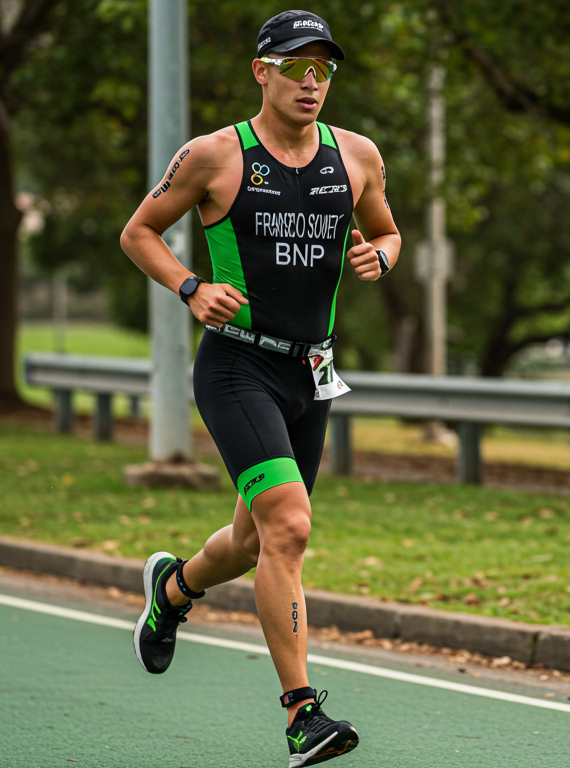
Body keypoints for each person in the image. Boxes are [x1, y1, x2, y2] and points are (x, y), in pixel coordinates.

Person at [118, 10, 398, 766]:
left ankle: (173, 590)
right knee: (291, 527)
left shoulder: (358, 154)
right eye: (296, 66)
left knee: (251, 541)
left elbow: (387, 229)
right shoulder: (214, 156)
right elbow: (138, 232)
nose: (312, 81)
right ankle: (303, 716)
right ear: (261, 71)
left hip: (312, 372)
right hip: (238, 366)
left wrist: (383, 256)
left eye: (324, 69)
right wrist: (188, 288)